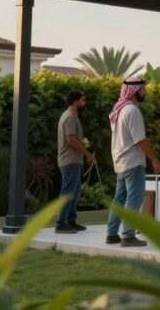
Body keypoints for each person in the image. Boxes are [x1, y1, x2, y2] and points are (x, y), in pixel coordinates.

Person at [105, 76, 160, 247]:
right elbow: (140, 140)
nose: (145, 92)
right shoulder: (132, 111)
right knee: (134, 199)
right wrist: (155, 159)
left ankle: (111, 234)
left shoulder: (120, 110)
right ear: (135, 91)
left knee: (119, 199)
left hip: (121, 162)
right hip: (133, 162)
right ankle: (128, 236)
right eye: (143, 89)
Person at [55, 91, 96, 234]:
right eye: (82, 99)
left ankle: (71, 221)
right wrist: (88, 154)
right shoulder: (70, 117)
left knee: (75, 191)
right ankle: (60, 223)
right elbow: (71, 140)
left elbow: (75, 139)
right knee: (68, 192)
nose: (84, 101)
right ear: (74, 101)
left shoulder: (71, 116)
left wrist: (84, 151)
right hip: (69, 160)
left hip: (73, 160)